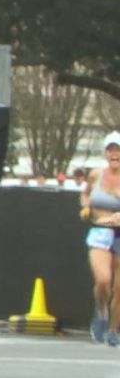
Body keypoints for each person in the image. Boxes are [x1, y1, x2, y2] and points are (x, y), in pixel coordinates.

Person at [80, 131, 120, 345]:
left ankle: (114, 329)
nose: (115, 154)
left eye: (118, 150)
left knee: (119, 288)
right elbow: (85, 193)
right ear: (106, 153)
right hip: (99, 231)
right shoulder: (96, 174)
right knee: (103, 280)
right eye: (111, 150)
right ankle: (101, 310)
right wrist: (86, 206)